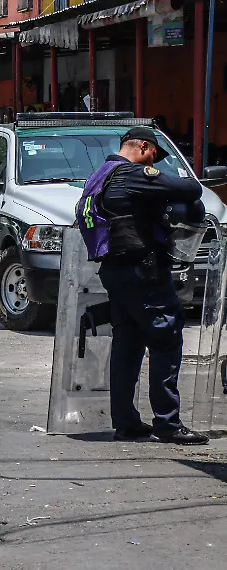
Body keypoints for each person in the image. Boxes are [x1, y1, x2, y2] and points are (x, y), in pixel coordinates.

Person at [76, 127, 208, 445]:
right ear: (144, 147)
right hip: (143, 271)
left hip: (114, 270)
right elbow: (191, 189)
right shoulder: (133, 175)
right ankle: (167, 423)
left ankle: (126, 423)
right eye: (153, 156)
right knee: (165, 337)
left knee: (128, 344)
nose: (155, 163)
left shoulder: (99, 176)